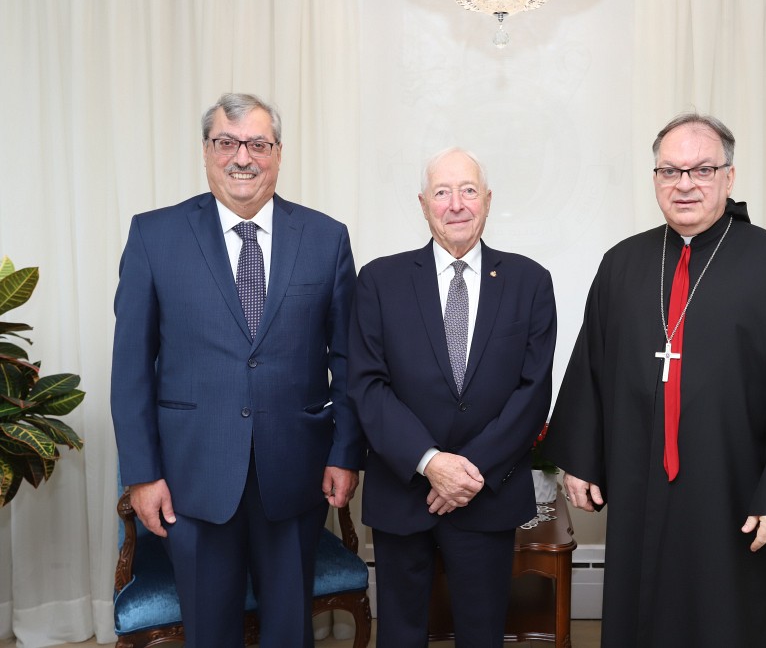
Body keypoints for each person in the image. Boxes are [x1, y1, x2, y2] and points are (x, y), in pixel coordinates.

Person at [543, 112, 766, 647]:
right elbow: (591, 366)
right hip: (641, 484)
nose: (685, 184)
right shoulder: (622, 264)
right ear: (655, 180)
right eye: (670, 171)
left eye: (701, 169)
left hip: (739, 494)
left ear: (729, 177)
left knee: (734, 620)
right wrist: (580, 457)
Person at [111, 93, 363, 648]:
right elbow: (130, 367)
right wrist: (143, 474)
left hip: (295, 471)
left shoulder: (325, 238)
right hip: (191, 475)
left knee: (289, 629)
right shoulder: (155, 236)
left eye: (257, 144)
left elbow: (347, 360)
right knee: (210, 628)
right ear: (206, 152)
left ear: (278, 153)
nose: (241, 157)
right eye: (226, 142)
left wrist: (345, 453)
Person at [348, 148, 557, 647]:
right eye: (443, 192)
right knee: (399, 633)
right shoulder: (379, 281)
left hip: (488, 493)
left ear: (487, 200)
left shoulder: (530, 282)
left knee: (483, 634)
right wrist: (429, 462)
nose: (456, 204)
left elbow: (534, 392)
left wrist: (467, 472)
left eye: (468, 191)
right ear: (423, 204)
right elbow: (368, 385)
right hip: (403, 488)